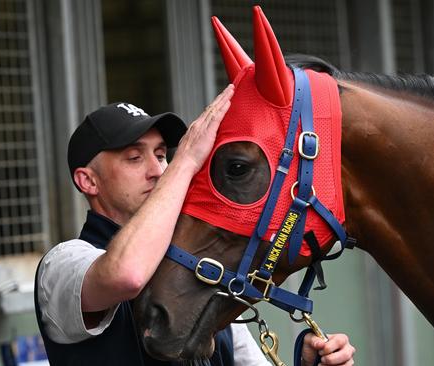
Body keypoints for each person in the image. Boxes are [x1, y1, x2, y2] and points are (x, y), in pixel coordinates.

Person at [34, 85, 356, 366]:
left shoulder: (200, 265)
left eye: (162, 155)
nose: (158, 170)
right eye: (134, 158)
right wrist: (186, 161)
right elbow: (127, 275)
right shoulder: (62, 264)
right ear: (88, 181)